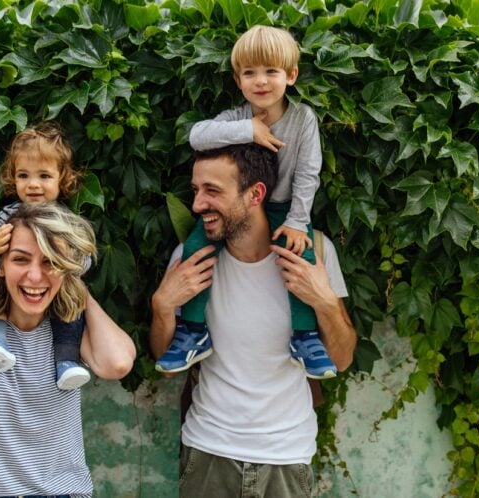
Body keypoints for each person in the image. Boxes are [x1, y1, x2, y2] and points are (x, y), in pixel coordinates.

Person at [150, 144, 357, 497]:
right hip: (208, 451)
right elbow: (168, 366)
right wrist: (162, 306)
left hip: (287, 457)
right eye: (196, 190)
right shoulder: (191, 259)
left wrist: (324, 301)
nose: (197, 205)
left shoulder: (314, 252)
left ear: (255, 194)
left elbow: (341, 359)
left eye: (212, 191)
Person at [155, 25, 336, 379]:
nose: (261, 81)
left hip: (285, 208)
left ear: (291, 76)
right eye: (249, 73)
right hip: (238, 207)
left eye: (271, 71)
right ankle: (192, 331)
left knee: (299, 257)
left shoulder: (303, 119)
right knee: (195, 248)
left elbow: (308, 173)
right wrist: (248, 130)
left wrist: (298, 221)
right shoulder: (236, 117)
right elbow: (197, 135)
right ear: (238, 81)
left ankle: (306, 337)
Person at [0, 202, 136, 498]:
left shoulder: (68, 326)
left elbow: (118, 363)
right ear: (0, 266)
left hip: (61, 493)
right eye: (21, 259)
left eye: (50, 262)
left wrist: (76, 288)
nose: (35, 276)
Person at [0, 121, 93, 390]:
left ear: (62, 179)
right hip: (11, 293)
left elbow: (85, 263)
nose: (33, 185)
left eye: (44, 176)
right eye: (23, 176)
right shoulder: (7, 217)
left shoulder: (65, 221)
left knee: (73, 307)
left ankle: (66, 362)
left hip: (56, 292)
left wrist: (69, 260)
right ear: (13, 178)